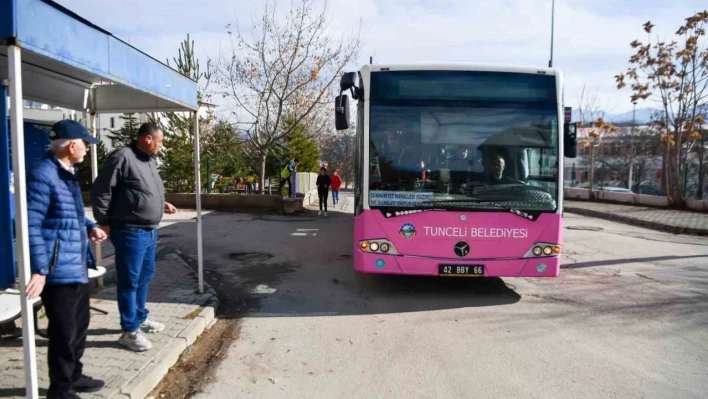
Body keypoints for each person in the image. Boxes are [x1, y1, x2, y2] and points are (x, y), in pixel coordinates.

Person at [25, 120, 108, 398]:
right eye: (85, 144)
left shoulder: (66, 172)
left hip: (76, 265)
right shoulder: (43, 174)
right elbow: (31, 224)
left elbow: (68, 212)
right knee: (63, 333)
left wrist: (89, 226)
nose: (87, 149)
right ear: (72, 146)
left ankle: (74, 376)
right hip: (57, 268)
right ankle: (60, 391)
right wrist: (39, 269)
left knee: (79, 327)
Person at [90, 122, 177, 352]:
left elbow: (143, 190)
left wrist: (161, 203)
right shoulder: (123, 157)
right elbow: (101, 191)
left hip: (149, 230)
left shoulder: (149, 160)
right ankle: (129, 331)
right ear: (148, 139)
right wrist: (104, 223)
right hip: (130, 230)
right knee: (129, 280)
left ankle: (140, 318)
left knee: (145, 275)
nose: (161, 146)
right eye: (160, 142)